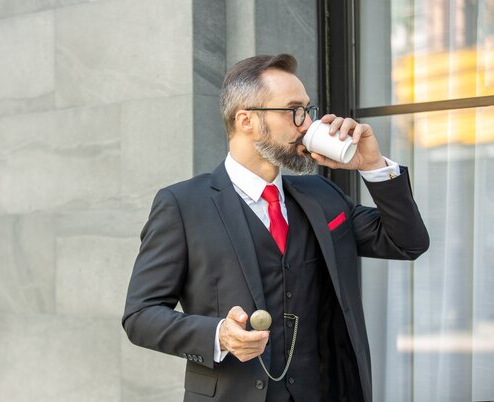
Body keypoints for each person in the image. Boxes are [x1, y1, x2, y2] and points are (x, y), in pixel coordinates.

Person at [122, 54, 429, 402]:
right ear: (246, 120)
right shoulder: (183, 205)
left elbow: (407, 243)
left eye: (308, 111)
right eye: (294, 110)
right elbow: (140, 316)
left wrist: (373, 165)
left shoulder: (322, 196)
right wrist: (219, 334)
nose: (307, 125)